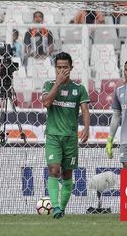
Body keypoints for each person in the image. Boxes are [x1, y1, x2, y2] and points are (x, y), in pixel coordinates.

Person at [41, 52, 90, 219]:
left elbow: (85, 110)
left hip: (70, 137)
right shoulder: (49, 84)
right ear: (55, 68)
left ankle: (61, 208)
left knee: (67, 174)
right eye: (59, 67)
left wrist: (86, 128)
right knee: (54, 169)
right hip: (53, 136)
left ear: (71, 68)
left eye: (65, 67)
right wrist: (58, 83)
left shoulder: (79, 89)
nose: (62, 70)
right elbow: (46, 103)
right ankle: (55, 208)